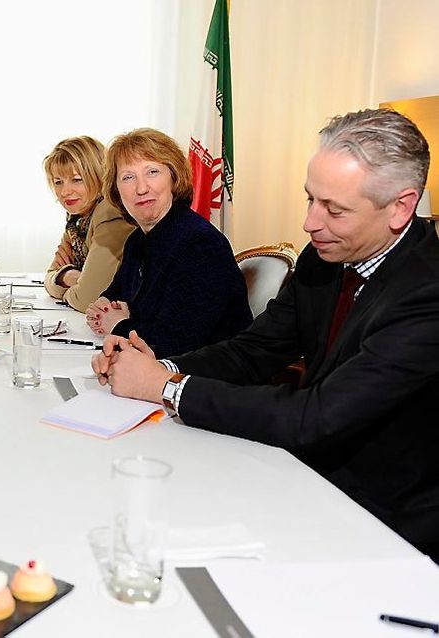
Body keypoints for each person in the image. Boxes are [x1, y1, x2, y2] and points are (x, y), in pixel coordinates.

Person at [94, 109, 438, 560]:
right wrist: (161, 367)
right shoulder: (323, 259)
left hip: (384, 522)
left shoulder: (426, 294)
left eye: (333, 208)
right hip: (300, 473)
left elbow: (318, 416)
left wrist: (166, 387)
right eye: (310, 199)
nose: (309, 224)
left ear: (400, 206)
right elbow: (255, 349)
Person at [85, 128, 251, 357]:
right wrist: (103, 305)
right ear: (116, 190)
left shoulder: (199, 245)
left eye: (152, 172)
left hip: (205, 381)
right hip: (159, 370)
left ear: (174, 177)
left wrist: (119, 324)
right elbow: (116, 293)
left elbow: (175, 341)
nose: (141, 188)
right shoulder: (137, 240)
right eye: (128, 177)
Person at [42, 136, 134, 312]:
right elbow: (49, 276)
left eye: (77, 179)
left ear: (99, 176)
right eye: (58, 182)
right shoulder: (77, 220)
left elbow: (89, 300)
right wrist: (68, 275)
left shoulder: (110, 213)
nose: (65, 192)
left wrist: (67, 285)